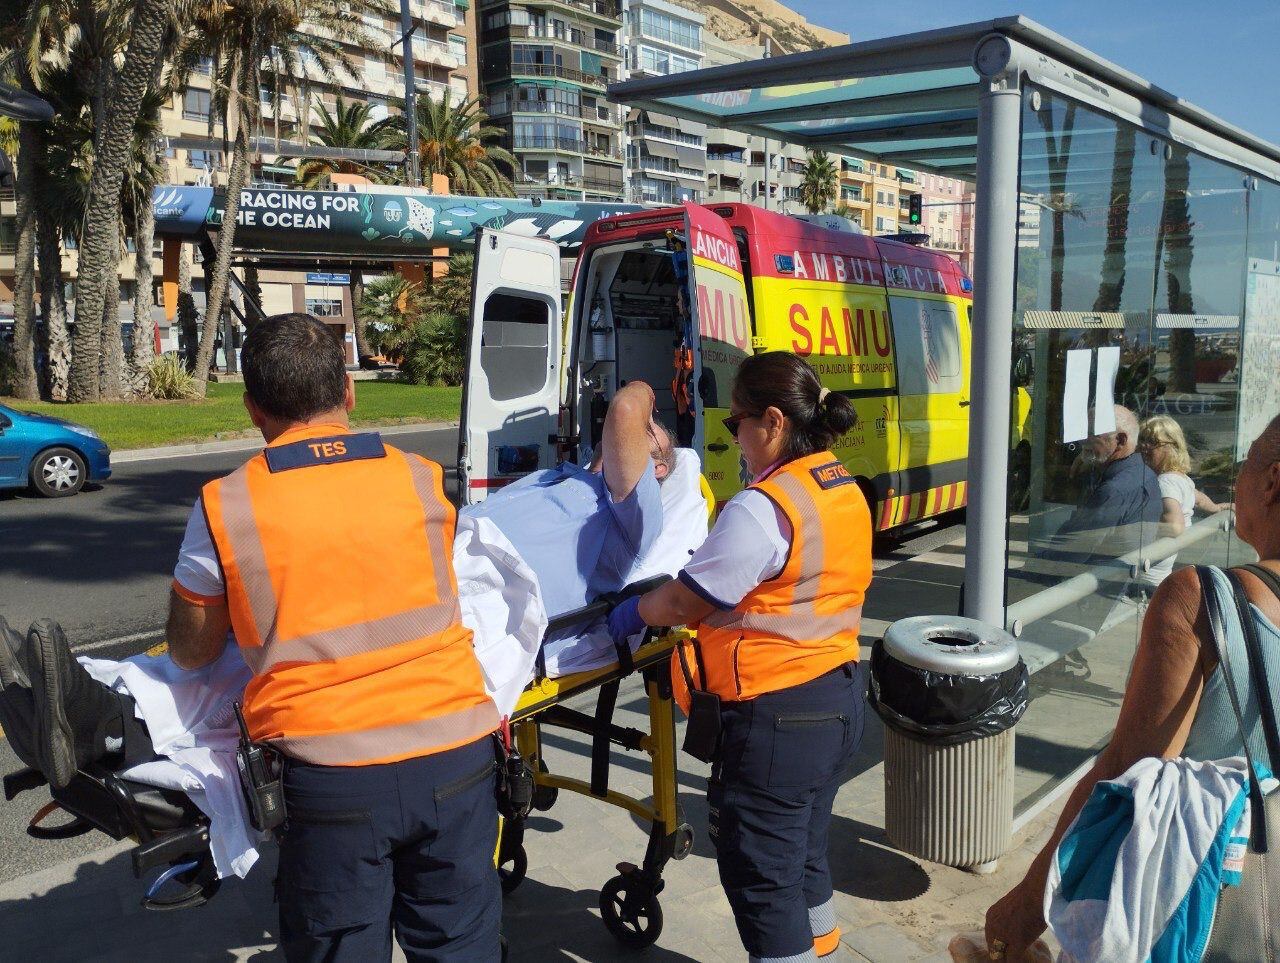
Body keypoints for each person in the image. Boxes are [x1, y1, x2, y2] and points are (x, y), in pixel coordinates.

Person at [40, 313, 503, 961]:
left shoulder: (229, 504)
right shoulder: (420, 477)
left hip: (333, 777)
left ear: (253, 409)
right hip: (458, 752)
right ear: (350, 392)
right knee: (461, 946)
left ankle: (92, 704)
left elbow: (192, 650)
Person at [606, 352, 871, 963]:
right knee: (803, 850)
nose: (734, 438)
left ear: (772, 422)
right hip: (837, 698)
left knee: (762, 881)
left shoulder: (764, 508)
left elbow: (683, 603)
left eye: (736, 423)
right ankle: (823, 943)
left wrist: (634, 611)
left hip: (776, 718)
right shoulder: (837, 485)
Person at [984, 413, 1280, 959]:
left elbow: (1125, 777)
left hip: (1206, 910)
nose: (1236, 480)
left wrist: (1023, 915)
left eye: (1245, 464)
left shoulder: (1201, 601)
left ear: (1272, 481)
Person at [461, 378, 673, 677]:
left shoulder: (634, 516)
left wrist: (644, 393)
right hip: (447, 545)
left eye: (646, 431)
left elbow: (625, 409)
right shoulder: (554, 476)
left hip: (488, 589)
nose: (637, 428)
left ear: (658, 468)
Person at [1136, 414, 1232, 587]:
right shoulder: (1182, 479)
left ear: (1172, 447)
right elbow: (1199, 498)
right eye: (1141, 439)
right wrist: (1217, 508)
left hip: (1149, 568)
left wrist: (1137, 530)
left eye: (1152, 442)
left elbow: (1174, 526)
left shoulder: (1164, 482)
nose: (1144, 446)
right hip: (1163, 566)